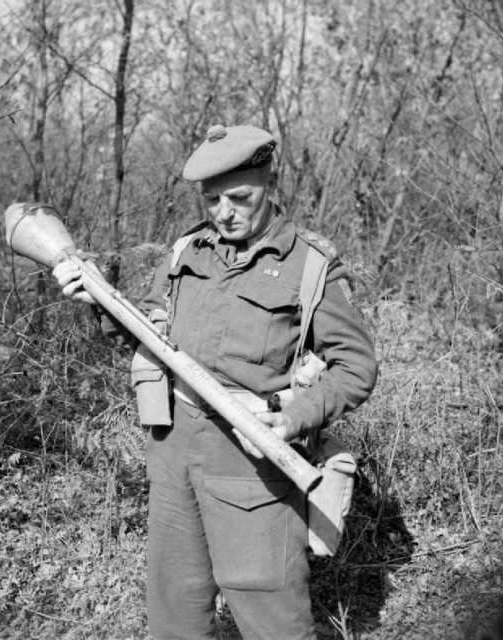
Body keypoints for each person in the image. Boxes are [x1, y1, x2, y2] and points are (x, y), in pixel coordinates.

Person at [53, 124, 378, 640]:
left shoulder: (311, 268)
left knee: (269, 611)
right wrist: (99, 301)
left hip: (251, 458)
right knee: (175, 609)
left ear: (270, 185)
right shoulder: (187, 252)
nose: (223, 211)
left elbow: (357, 368)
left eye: (239, 197)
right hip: (172, 447)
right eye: (211, 198)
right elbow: (149, 335)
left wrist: (290, 418)